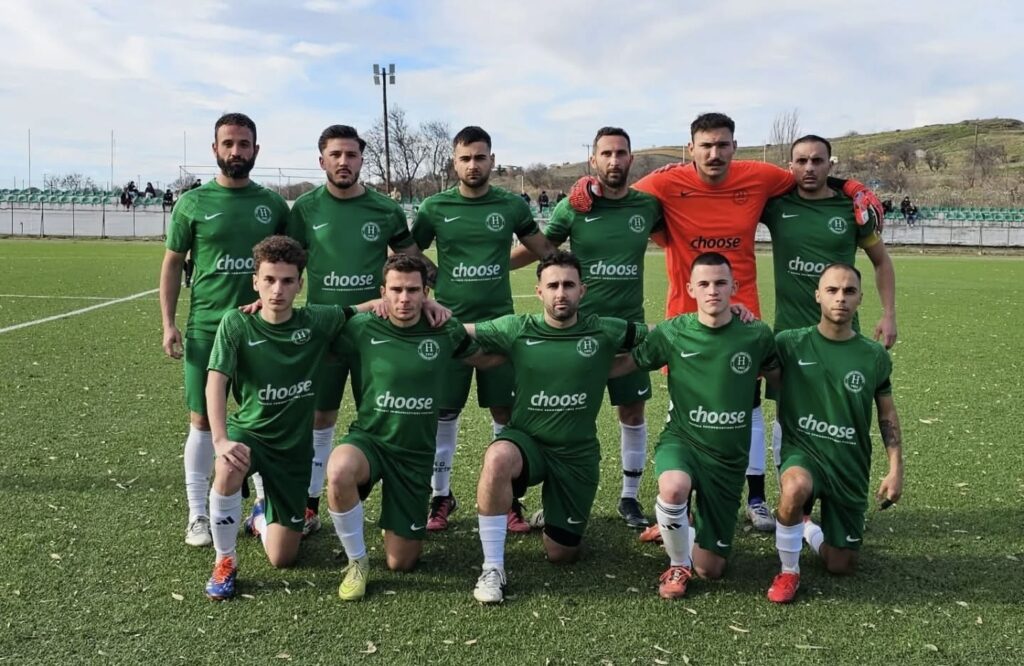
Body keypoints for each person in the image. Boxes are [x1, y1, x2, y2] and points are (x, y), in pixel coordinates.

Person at [570, 112, 883, 534]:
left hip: (742, 313)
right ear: (691, 149)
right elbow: (617, 190)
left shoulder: (760, 177)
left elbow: (808, 174)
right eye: (706, 145)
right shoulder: (665, 184)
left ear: (734, 147)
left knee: (747, 403)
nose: (714, 153)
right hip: (685, 316)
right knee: (685, 405)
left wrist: (852, 186)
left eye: (722, 145)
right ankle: (679, 501)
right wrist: (585, 184)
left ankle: (756, 499)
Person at [468, 250, 648, 603]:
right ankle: (492, 568)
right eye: (552, 286)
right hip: (527, 444)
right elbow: (464, 331)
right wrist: (426, 311)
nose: (560, 293)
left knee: (561, 555)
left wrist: (718, 317)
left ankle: (553, 515)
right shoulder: (517, 328)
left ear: (583, 290)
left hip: (575, 454)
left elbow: (660, 336)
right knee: (498, 457)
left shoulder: (604, 329)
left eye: (568, 285)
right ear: (539, 292)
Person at [510, 127, 664, 529]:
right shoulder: (573, 207)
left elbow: (677, 233)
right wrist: (496, 267)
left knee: (632, 412)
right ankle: (555, 497)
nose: (614, 160)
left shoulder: (648, 206)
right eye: (606, 154)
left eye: (621, 153)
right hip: (578, 333)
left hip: (627, 330)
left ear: (631, 158)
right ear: (593, 160)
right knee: (568, 415)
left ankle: (629, 497)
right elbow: (542, 248)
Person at [203, 235, 372, 600]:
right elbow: (216, 381)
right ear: (255, 282)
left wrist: (425, 305)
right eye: (269, 280)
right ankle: (224, 560)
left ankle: (260, 515)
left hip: (294, 451)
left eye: (286, 281)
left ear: (300, 284)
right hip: (250, 434)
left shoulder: (316, 320)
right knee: (228, 465)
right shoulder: (236, 323)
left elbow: (367, 307)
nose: (277, 290)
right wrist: (220, 440)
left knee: (283, 558)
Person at [287, 124, 434, 537]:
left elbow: (412, 259)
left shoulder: (385, 209)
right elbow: (286, 263)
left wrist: (429, 294)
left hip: (377, 331)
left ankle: (398, 497)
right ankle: (310, 502)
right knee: (321, 416)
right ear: (322, 161)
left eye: (351, 155)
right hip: (326, 330)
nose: (343, 162)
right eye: (335, 155)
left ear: (361, 160)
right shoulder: (304, 209)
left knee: (383, 411)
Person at [326, 254, 497, 601]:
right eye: (396, 290)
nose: (404, 298)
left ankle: (395, 517)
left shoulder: (444, 329)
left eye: (413, 290)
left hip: (414, 455)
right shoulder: (362, 327)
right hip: (370, 441)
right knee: (340, 469)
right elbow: (310, 331)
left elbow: (483, 357)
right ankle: (357, 561)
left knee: (401, 563)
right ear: (383, 292)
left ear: (426, 293)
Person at [411, 126, 556, 533]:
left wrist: (571, 278)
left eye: (480, 157)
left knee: (505, 412)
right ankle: (441, 496)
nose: (473, 165)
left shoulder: (510, 206)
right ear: (454, 162)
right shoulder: (435, 207)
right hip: (448, 325)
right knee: (444, 411)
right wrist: (435, 278)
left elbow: (543, 249)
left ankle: (509, 500)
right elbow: (406, 251)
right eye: (465, 158)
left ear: (492, 160)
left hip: (499, 326)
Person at [609, 253, 778, 599]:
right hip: (683, 441)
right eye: (704, 284)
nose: (712, 290)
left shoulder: (756, 334)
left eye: (720, 283)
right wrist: (574, 370)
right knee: (673, 488)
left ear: (734, 286)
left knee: (711, 570)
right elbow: (629, 363)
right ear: (690, 289)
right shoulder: (673, 332)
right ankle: (677, 563)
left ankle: (675, 528)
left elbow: (779, 378)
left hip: (728, 459)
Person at [159, 112, 290, 548]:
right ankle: (198, 513)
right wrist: (169, 323)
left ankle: (262, 506)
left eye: (244, 144)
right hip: (206, 330)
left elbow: (288, 263)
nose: (236, 151)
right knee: (200, 420)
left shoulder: (272, 205)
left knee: (264, 417)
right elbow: (173, 264)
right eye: (228, 144)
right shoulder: (191, 203)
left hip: (261, 331)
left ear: (256, 149)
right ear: (215, 149)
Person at [767, 263, 903, 603]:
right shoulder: (789, 344)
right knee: (795, 487)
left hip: (848, 463)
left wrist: (895, 469)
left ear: (860, 298)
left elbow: (886, 413)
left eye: (849, 291)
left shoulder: (873, 356)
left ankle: (808, 528)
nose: (840, 298)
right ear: (818, 296)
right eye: (832, 290)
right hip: (804, 453)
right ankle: (788, 570)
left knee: (841, 564)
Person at [761, 135, 898, 468]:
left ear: (830, 165)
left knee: (843, 413)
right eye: (802, 161)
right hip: (790, 332)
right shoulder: (775, 206)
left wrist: (889, 314)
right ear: (790, 166)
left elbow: (882, 261)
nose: (809, 167)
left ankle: (840, 485)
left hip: (842, 333)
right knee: (787, 412)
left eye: (817, 160)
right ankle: (790, 492)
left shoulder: (852, 209)